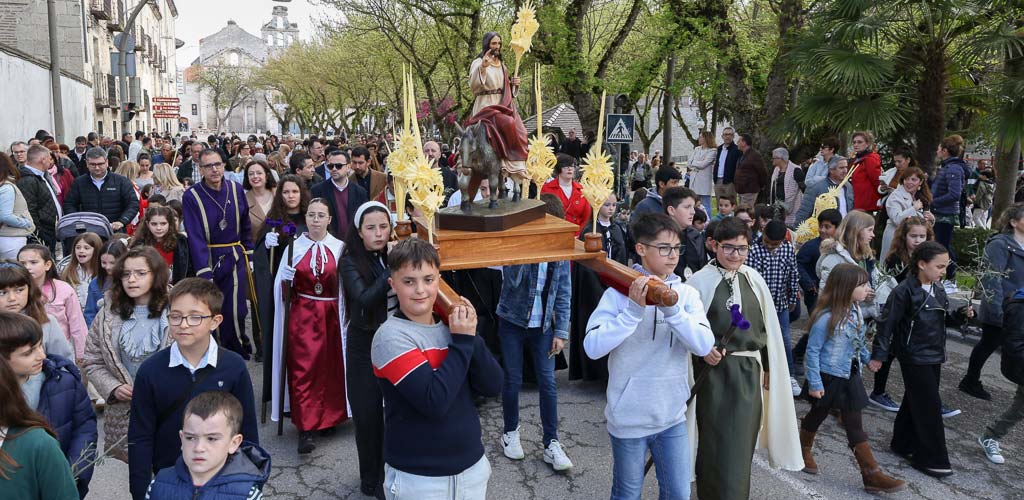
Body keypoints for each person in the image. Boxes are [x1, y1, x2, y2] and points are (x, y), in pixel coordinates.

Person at [583, 213, 715, 499]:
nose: (673, 256)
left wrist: (673, 311)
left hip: (672, 416)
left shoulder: (687, 295)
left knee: (678, 494)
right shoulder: (618, 294)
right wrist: (632, 312)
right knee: (627, 494)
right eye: (664, 248)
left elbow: (704, 346)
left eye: (677, 248)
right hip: (629, 417)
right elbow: (592, 347)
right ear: (641, 249)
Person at [370, 239, 503, 500]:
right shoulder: (390, 337)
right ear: (392, 285)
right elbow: (434, 401)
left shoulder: (451, 327)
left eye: (428, 279)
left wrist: (472, 336)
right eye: (409, 281)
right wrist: (463, 341)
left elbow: (493, 385)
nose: (420, 290)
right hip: (420, 481)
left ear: (439, 280)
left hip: (471, 471)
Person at [685, 218, 802, 498]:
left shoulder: (754, 279)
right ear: (714, 246)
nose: (736, 255)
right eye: (729, 248)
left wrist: (771, 366)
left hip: (749, 375)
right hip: (713, 377)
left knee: (740, 448)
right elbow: (687, 330)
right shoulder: (699, 282)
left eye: (742, 248)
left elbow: (768, 331)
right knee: (715, 445)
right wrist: (703, 351)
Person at [127, 278, 259, 500]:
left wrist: (249, 482)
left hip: (224, 484)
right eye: (176, 316)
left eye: (195, 317)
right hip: (169, 482)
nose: (183, 324)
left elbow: (247, 431)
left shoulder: (233, 367)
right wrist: (140, 491)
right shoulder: (151, 370)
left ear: (215, 321)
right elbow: (140, 436)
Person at [800, 264, 907, 493]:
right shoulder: (826, 318)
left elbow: (856, 343)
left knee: (854, 424)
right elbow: (813, 351)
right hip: (828, 376)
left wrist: (869, 359)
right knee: (816, 415)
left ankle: (872, 475)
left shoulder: (856, 310)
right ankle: (803, 448)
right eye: (862, 284)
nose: (867, 288)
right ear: (846, 288)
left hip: (850, 375)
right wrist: (816, 383)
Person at [871, 242, 973, 478]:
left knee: (915, 399)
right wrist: (879, 354)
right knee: (929, 406)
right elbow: (886, 324)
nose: (943, 271)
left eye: (945, 267)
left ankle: (902, 443)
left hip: (934, 354)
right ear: (921, 264)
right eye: (939, 266)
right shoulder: (903, 291)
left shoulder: (937, 289)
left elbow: (942, 319)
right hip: (913, 355)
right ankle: (932, 459)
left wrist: (959, 316)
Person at [495, 201, 573, 471]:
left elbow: (564, 292)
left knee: (548, 382)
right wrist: (528, 248)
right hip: (512, 321)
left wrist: (561, 332)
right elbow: (511, 277)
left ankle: (552, 442)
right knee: (513, 378)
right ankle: (510, 432)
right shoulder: (519, 244)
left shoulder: (560, 253)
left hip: (544, 327)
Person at [269, 198, 349, 454]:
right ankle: (306, 428)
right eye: (311, 215)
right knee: (304, 369)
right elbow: (280, 291)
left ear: (329, 219)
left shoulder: (339, 248)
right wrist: (285, 281)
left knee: (330, 368)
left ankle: (328, 418)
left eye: (320, 215)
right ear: (306, 219)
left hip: (332, 314)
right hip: (302, 316)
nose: (315, 220)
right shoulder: (294, 247)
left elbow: (346, 286)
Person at [1, 311, 97, 497]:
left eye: (39, 346)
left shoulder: (63, 381)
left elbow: (85, 427)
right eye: (29, 352)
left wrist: (72, 470)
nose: (42, 355)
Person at [341, 201, 396, 498]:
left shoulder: (391, 253)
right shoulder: (349, 260)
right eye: (371, 228)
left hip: (394, 344)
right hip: (364, 348)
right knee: (367, 417)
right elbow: (362, 299)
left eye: (384, 227)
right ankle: (370, 480)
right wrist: (391, 270)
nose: (379, 233)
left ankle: (388, 476)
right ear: (359, 231)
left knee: (392, 416)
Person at [181, 148, 257, 359]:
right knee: (211, 309)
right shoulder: (192, 196)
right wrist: (204, 270)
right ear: (200, 169)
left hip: (234, 255)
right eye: (208, 166)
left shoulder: (236, 189)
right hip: (209, 257)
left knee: (237, 309)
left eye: (217, 164)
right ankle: (213, 352)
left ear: (224, 165)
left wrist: (249, 252)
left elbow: (245, 224)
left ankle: (237, 350)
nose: (214, 170)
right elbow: (194, 234)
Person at [145, 391, 270, 499]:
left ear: (234, 443)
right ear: (181, 439)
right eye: (190, 438)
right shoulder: (157, 485)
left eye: (211, 438)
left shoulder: (247, 494)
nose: (199, 448)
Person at [870, 216, 934, 412]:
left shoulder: (930, 257)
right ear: (904, 236)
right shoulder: (896, 258)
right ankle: (878, 391)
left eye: (922, 236)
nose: (917, 240)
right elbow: (891, 286)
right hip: (898, 312)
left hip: (917, 314)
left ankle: (924, 396)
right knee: (889, 352)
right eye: (913, 236)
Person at [961, 203, 1024, 400]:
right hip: (1002, 306)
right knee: (988, 344)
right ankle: (970, 380)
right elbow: (991, 278)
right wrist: (998, 310)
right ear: (1013, 222)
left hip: (1018, 307)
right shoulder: (999, 244)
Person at [465, 32, 530, 187]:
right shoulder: (478, 62)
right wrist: (483, 67)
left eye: (499, 44)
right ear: (487, 44)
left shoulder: (502, 66)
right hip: (485, 106)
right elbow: (473, 85)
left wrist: (514, 84)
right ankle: (508, 163)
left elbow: (506, 90)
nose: (497, 47)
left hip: (502, 105)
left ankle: (514, 164)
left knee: (520, 128)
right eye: (494, 43)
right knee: (507, 122)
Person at [747, 220, 802, 396]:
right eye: (767, 242)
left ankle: (789, 375)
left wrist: (793, 297)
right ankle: (760, 373)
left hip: (780, 304)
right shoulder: (753, 251)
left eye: (775, 244)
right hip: (758, 305)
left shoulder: (787, 249)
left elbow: (793, 274)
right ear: (763, 233)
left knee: (784, 339)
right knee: (757, 338)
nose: (770, 246)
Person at [792, 209, 848, 374]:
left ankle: (800, 353)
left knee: (823, 327)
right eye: (821, 226)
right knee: (819, 325)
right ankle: (800, 355)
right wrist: (808, 283)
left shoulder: (841, 247)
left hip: (835, 293)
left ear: (838, 228)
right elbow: (798, 265)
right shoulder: (812, 246)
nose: (823, 230)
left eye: (828, 227)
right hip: (815, 294)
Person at [977, 285, 1024, 465]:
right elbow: (1015, 345)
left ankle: (992, 435)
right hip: (1019, 365)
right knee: (1020, 408)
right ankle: (991, 436)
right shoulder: (1020, 306)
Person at [18, 245, 87, 362]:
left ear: (47, 265)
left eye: (33, 262)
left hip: (59, 348)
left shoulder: (63, 289)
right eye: (22, 264)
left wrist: (81, 352)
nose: (28, 267)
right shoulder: (16, 291)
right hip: (25, 349)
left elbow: (77, 323)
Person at [0, 262, 74, 361]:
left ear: (29, 289)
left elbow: (64, 365)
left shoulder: (47, 322)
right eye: (2, 293)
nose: (12, 298)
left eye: (19, 290)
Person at [63, 147, 140, 233]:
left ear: (107, 162)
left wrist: (122, 221)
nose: (97, 168)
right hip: (88, 232)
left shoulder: (121, 181)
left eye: (100, 164)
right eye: (93, 164)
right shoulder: (79, 183)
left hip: (115, 230)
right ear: (87, 163)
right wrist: (77, 221)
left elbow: (133, 203)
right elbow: (69, 204)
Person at [311, 149, 369, 240]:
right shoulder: (318, 190)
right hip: (328, 242)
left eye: (338, 166)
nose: (334, 169)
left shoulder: (360, 192)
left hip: (354, 243)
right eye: (330, 166)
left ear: (348, 167)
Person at [931, 135, 967, 273]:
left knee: (943, 246)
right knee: (941, 245)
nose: (937, 151)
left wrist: (934, 201)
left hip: (945, 214)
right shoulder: (948, 167)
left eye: (939, 149)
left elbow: (954, 194)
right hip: (940, 212)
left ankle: (951, 276)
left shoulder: (953, 169)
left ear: (945, 151)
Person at [17, 145, 63, 253]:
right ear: (42, 160)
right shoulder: (28, 180)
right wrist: (39, 233)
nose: (51, 161)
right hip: (42, 233)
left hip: (50, 230)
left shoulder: (42, 175)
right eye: (49, 158)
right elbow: (30, 209)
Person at [131, 207, 192, 285]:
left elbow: (190, 270)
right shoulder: (139, 245)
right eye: (154, 224)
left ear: (170, 223)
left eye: (163, 223)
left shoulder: (181, 242)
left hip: (177, 289)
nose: (158, 228)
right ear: (147, 224)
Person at [880, 166, 930, 261]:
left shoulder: (922, 197)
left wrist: (930, 219)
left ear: (921, 182)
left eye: (914, 179)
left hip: (913, 241)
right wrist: (914, 208)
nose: (909, 182)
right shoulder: (895, 196)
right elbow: (897, 219)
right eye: (907, 179)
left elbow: (922, 223)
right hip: (895, 237)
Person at [541, 153, 592, 236]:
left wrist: (579, 234)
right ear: (558, 169)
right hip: (554, 234)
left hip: (577, 234)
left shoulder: (582, 190)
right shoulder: (546, 189)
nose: (570, 169)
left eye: (572, 166)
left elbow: (586, 216)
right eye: (565, 166)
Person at [795, 156, 855, 226]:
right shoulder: (816, 188)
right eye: (841, 168)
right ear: (831, 170)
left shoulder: (848, 187)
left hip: (845, 231)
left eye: (846, 167)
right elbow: (804, 212)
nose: (845, 171)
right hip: (825, 231)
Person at [663, 186, 706, 280]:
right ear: (671, 210)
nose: (693, 212)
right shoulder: (658, 237)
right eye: (687, 207)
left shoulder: (695, 235)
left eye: (693, 207)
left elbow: (702, 266)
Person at [83, 239, 127, 327]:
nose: (107, 267)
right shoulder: (95, 283)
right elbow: (90, 313)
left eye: (112, 263)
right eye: (104, 263)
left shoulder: (130, 281)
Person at [0, 152, 34, 260]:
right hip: (11, 238)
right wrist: (26, 223)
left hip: (7, 237)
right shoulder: (6, 188)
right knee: (14, 272)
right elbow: (5, 216)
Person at [582, 194, 628, 265]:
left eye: (614, 205)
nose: (611, 208)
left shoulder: (617, 228)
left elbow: (622, 255)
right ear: (598, 205)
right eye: (607, 205)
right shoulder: (590, 230)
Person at [59, 232, 102, 308]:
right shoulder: (66, 270)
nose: (81, 251)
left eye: (86, 248)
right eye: (78, 247)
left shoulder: (103, 270)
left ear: (96, 250)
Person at [768, 148, 805, 226]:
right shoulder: (776, 170)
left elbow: (804, 189)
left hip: (792, 206)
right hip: (777, 207)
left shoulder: (796, 170)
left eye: (774, 158)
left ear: (780, 159)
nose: (772, 160)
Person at [243, 160, 277, 243]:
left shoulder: (279, 194)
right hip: (256, 251)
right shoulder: (243, 200)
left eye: (259, 173)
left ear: (267, 175)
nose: (255, 176)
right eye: (251, 174)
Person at [848, 132, 882, 211]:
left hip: (868, 205)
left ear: (867, 144)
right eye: (854, 142)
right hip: (858, 203)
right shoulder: (856, 159)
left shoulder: (870, 159)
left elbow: (876, 181)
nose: (856, 144)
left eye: (859, 142)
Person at [734, 134, 767, 209]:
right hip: (742, 190)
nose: (737, 143)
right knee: (742, 211)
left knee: (746, 212)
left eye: (739, 141)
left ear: (744, 142)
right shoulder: (743, 155)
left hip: (749, 189)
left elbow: (762, 172)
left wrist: (761, 185)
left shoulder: (754, 155)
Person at [689, 131, 717, 213]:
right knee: (694, 202)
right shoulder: (697, 149)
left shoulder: (712, 151)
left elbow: (703, 165)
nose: (699, 138)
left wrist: (695, 162)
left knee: (705, 204)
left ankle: (707, 222)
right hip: (694, 179)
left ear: (706, 138)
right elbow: (689, 163)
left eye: (701, 137)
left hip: (704, 181)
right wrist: (697, 162)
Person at [712, 128, 740, 204]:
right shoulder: (719, 149)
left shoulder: (737, 149)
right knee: (720, 204)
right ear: (722, 136)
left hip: (730, 182)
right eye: (726, 134)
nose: (728, 136)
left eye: (730, 134)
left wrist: (734, 180)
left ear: (733, 136)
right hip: (718, 181)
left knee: (731, 204)